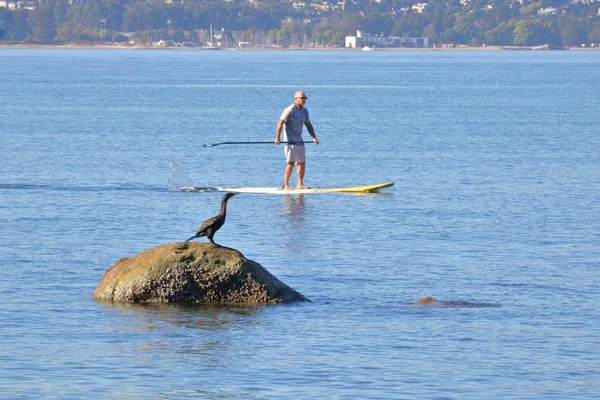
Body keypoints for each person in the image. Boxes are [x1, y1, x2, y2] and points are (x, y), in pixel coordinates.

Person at [275, 91, 319, 190]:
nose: (304, 100)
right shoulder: (289, 110)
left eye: (305, 98)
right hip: (289, 140)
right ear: (296, 99)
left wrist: (314, 137)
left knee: (302, 162)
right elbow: (280, 123)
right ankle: (285, 185)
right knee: (291, 162)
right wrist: (277, 138)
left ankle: (300, 184)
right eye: (302, 98)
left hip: (299, 139)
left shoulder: (305, 111)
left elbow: (308, 125)